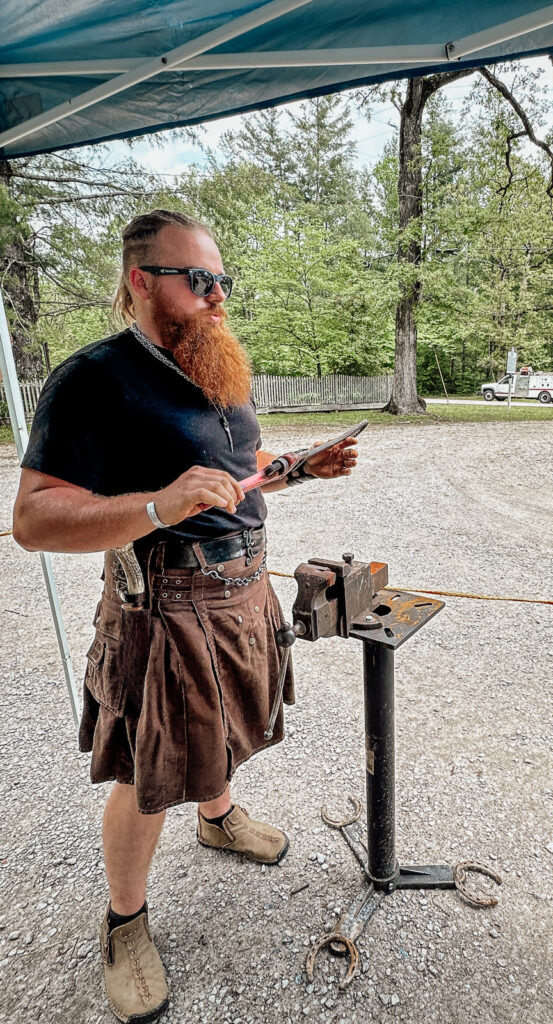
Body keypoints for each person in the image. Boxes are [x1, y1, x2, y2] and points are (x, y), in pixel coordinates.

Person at [12, 209, 359, 1024]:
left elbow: (233, 479)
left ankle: (218, 817)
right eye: (198, 279)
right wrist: (158, 508)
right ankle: (124, 923)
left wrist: (297, 470)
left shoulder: (216, 367)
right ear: (141, 281)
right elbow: (32, 520)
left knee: (230, 722)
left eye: (222, 281)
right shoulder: (93, 379)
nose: (216, 296)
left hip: (241, 596)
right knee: (147, 768)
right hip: (160, 607)